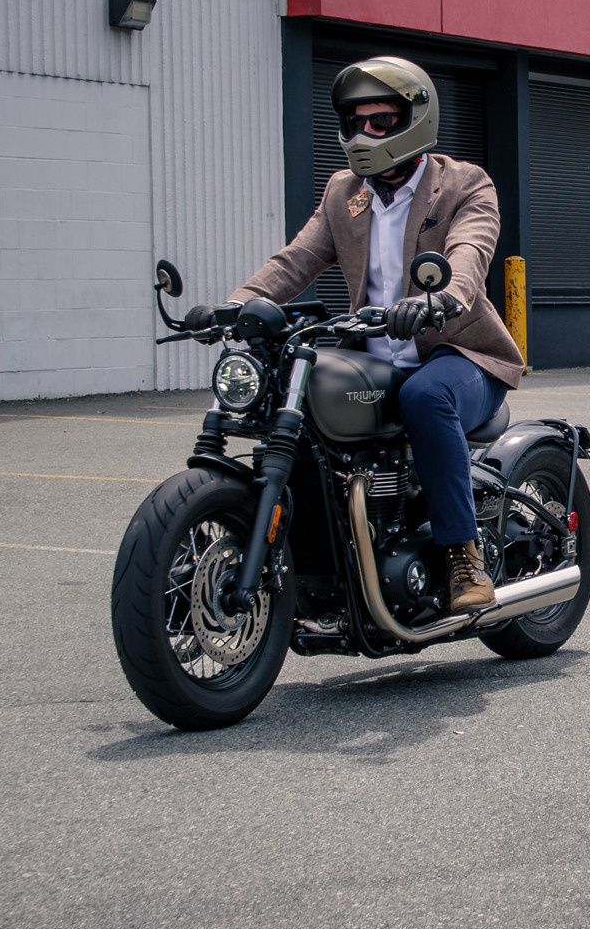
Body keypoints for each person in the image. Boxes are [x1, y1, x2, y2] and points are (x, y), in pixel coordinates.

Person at [187, 57, 527, 614]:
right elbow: (296, 260)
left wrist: (439, 299)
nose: (366, 132)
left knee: (426, 395)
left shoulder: (464, 184)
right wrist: (235, 306)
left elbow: (470, 251)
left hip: (459, 354)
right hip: (373, 355)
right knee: (299, 393)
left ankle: (463, 554)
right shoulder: (345, 193)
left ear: (414, 120)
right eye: (356, 120)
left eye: (382, 120)